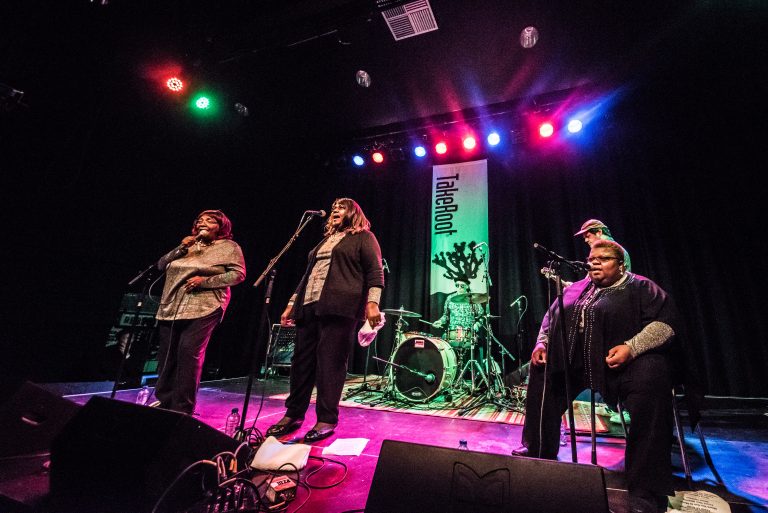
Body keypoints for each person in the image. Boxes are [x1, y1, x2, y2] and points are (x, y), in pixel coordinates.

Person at [512, 239, 678, 513]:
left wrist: (632, 348)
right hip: (576, 364)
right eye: (591, 259)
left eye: (603, 258)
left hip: (622, 365)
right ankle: (538, 449)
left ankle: (646, 488)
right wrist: (541, 344)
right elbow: (550, 320)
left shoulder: (641, 287)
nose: (594, 263)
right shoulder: (575, 289)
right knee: (541, 370)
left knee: (653, 377)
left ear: (621, 265)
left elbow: (664, 325)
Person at [267, 198, 384, 443]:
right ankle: (293, 414)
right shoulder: (325, 240)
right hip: (309, 304)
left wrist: (372, 303)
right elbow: (307, 275)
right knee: (301, 362)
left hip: (340, 306)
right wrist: (292, 303)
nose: (335, 211)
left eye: (341, 208)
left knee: (330, 363)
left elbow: (375, 272)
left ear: (353, 213)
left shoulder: (364, 237)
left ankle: (327, 419)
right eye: (333, 209)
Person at [152, 209, 246, 415]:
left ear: (221, 227)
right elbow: (161, 265)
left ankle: (182, 408)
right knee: (166, 356)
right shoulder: (188, 245)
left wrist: (205, 281)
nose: (203, 223)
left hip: (205, 306)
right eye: (200, 220)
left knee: (188, 352)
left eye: (210, 221)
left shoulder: (229, 247)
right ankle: (164, 402)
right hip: (172, 306)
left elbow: (238, 275)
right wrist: (181, 247)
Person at [432, 277, 484, 349]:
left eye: (462, 286)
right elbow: (446, 316)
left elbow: (481, 316)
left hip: (469, 333)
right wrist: (440, 321)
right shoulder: (450, 298)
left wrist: (477, 325)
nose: (459, 287)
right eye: (457, 285)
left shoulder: (473, 299)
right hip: (452, 332)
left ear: (467, 286)